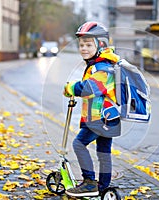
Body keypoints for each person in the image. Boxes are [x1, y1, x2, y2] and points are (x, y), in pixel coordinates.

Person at [63, 21, 121, 197]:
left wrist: (70, 88)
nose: (83, 48)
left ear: (101, 45)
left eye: (88, 45)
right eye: (81, 45)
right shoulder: (101, 64)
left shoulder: (103, 67)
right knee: (104, 152)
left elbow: (90, 88)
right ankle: (103, 188)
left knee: (79, 144)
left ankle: (89, 183)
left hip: (99, 119)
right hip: (108, 117)